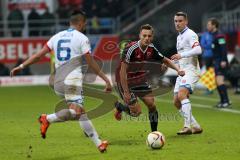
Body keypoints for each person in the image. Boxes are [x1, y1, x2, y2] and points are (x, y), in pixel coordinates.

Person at [10, 11, 112, 153]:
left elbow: (39, 56)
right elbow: (91, 63)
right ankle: (48, 118)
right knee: (76, 112)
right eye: (85, 24)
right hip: (72, 80)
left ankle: (99, 144)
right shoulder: (82, 38)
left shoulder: (56, 37)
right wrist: (106, 79)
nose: (85, 27)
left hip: (58, 82)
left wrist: (21, 66)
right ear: (81, 23)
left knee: (81, 113)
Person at [114, 24, 185, 132]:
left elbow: (164, 60)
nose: (147, 38)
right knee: (136, 112)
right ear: (140, 36)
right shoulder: (131, 48)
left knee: (152, 104)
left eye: (149, 36)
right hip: (125, 80)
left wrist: (177, 69)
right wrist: (126, 92)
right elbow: (122, 71)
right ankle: (120, 107)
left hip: (139, 79)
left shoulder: (151, 48)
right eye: (144, 35)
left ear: (152, 37)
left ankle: (155, 133)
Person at [171, 12, 203, 135]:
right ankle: (196, 126)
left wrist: (182, 55)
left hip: (191, 70)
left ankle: (187, 126)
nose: (177, 23)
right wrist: (173, 63)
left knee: (182, 94)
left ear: (186, 21)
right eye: (176, 21)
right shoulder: (179, 37)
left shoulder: (191, 34)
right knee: (176, 102)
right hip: (182, 71)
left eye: (180, 21)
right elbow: (180, 56)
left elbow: (198, 49)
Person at [207, 18, 231, 108]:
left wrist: (224, 60)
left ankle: (226, 101)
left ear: (214, 25)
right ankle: (222, 101)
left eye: (209, 25)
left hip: (221, 61)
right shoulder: (214, 35)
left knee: (220, 81)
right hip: (216, 61)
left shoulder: (220, 36)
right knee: (217, 82)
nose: (207, 26)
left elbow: (223, 49)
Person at [200, 23, 214, 95]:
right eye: (208, 25)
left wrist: (211, 45)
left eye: (210, 25)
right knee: (208, 72)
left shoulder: (215, 34)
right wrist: (211, 45)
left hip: (215, 55)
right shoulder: (205, 35)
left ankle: (213, 87)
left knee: (214, 72)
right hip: (207, 55)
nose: (209, 27)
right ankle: (209, 88)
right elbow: (202, 44)